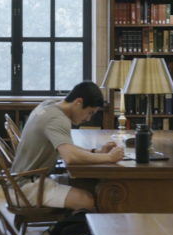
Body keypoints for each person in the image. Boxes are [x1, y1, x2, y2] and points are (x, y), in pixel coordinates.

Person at [10, 81, 124, 212]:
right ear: (78, 102)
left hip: (26, 179)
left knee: (93, 186)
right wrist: (109, 158)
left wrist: (97, 152)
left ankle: (67, 228)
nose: (88, 118)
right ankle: (55, 232)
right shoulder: (58, 119)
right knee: (87, 200)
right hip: (25, 187)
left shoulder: (49, 105)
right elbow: (70, 157)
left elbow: (66, 146)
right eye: (90, 112)